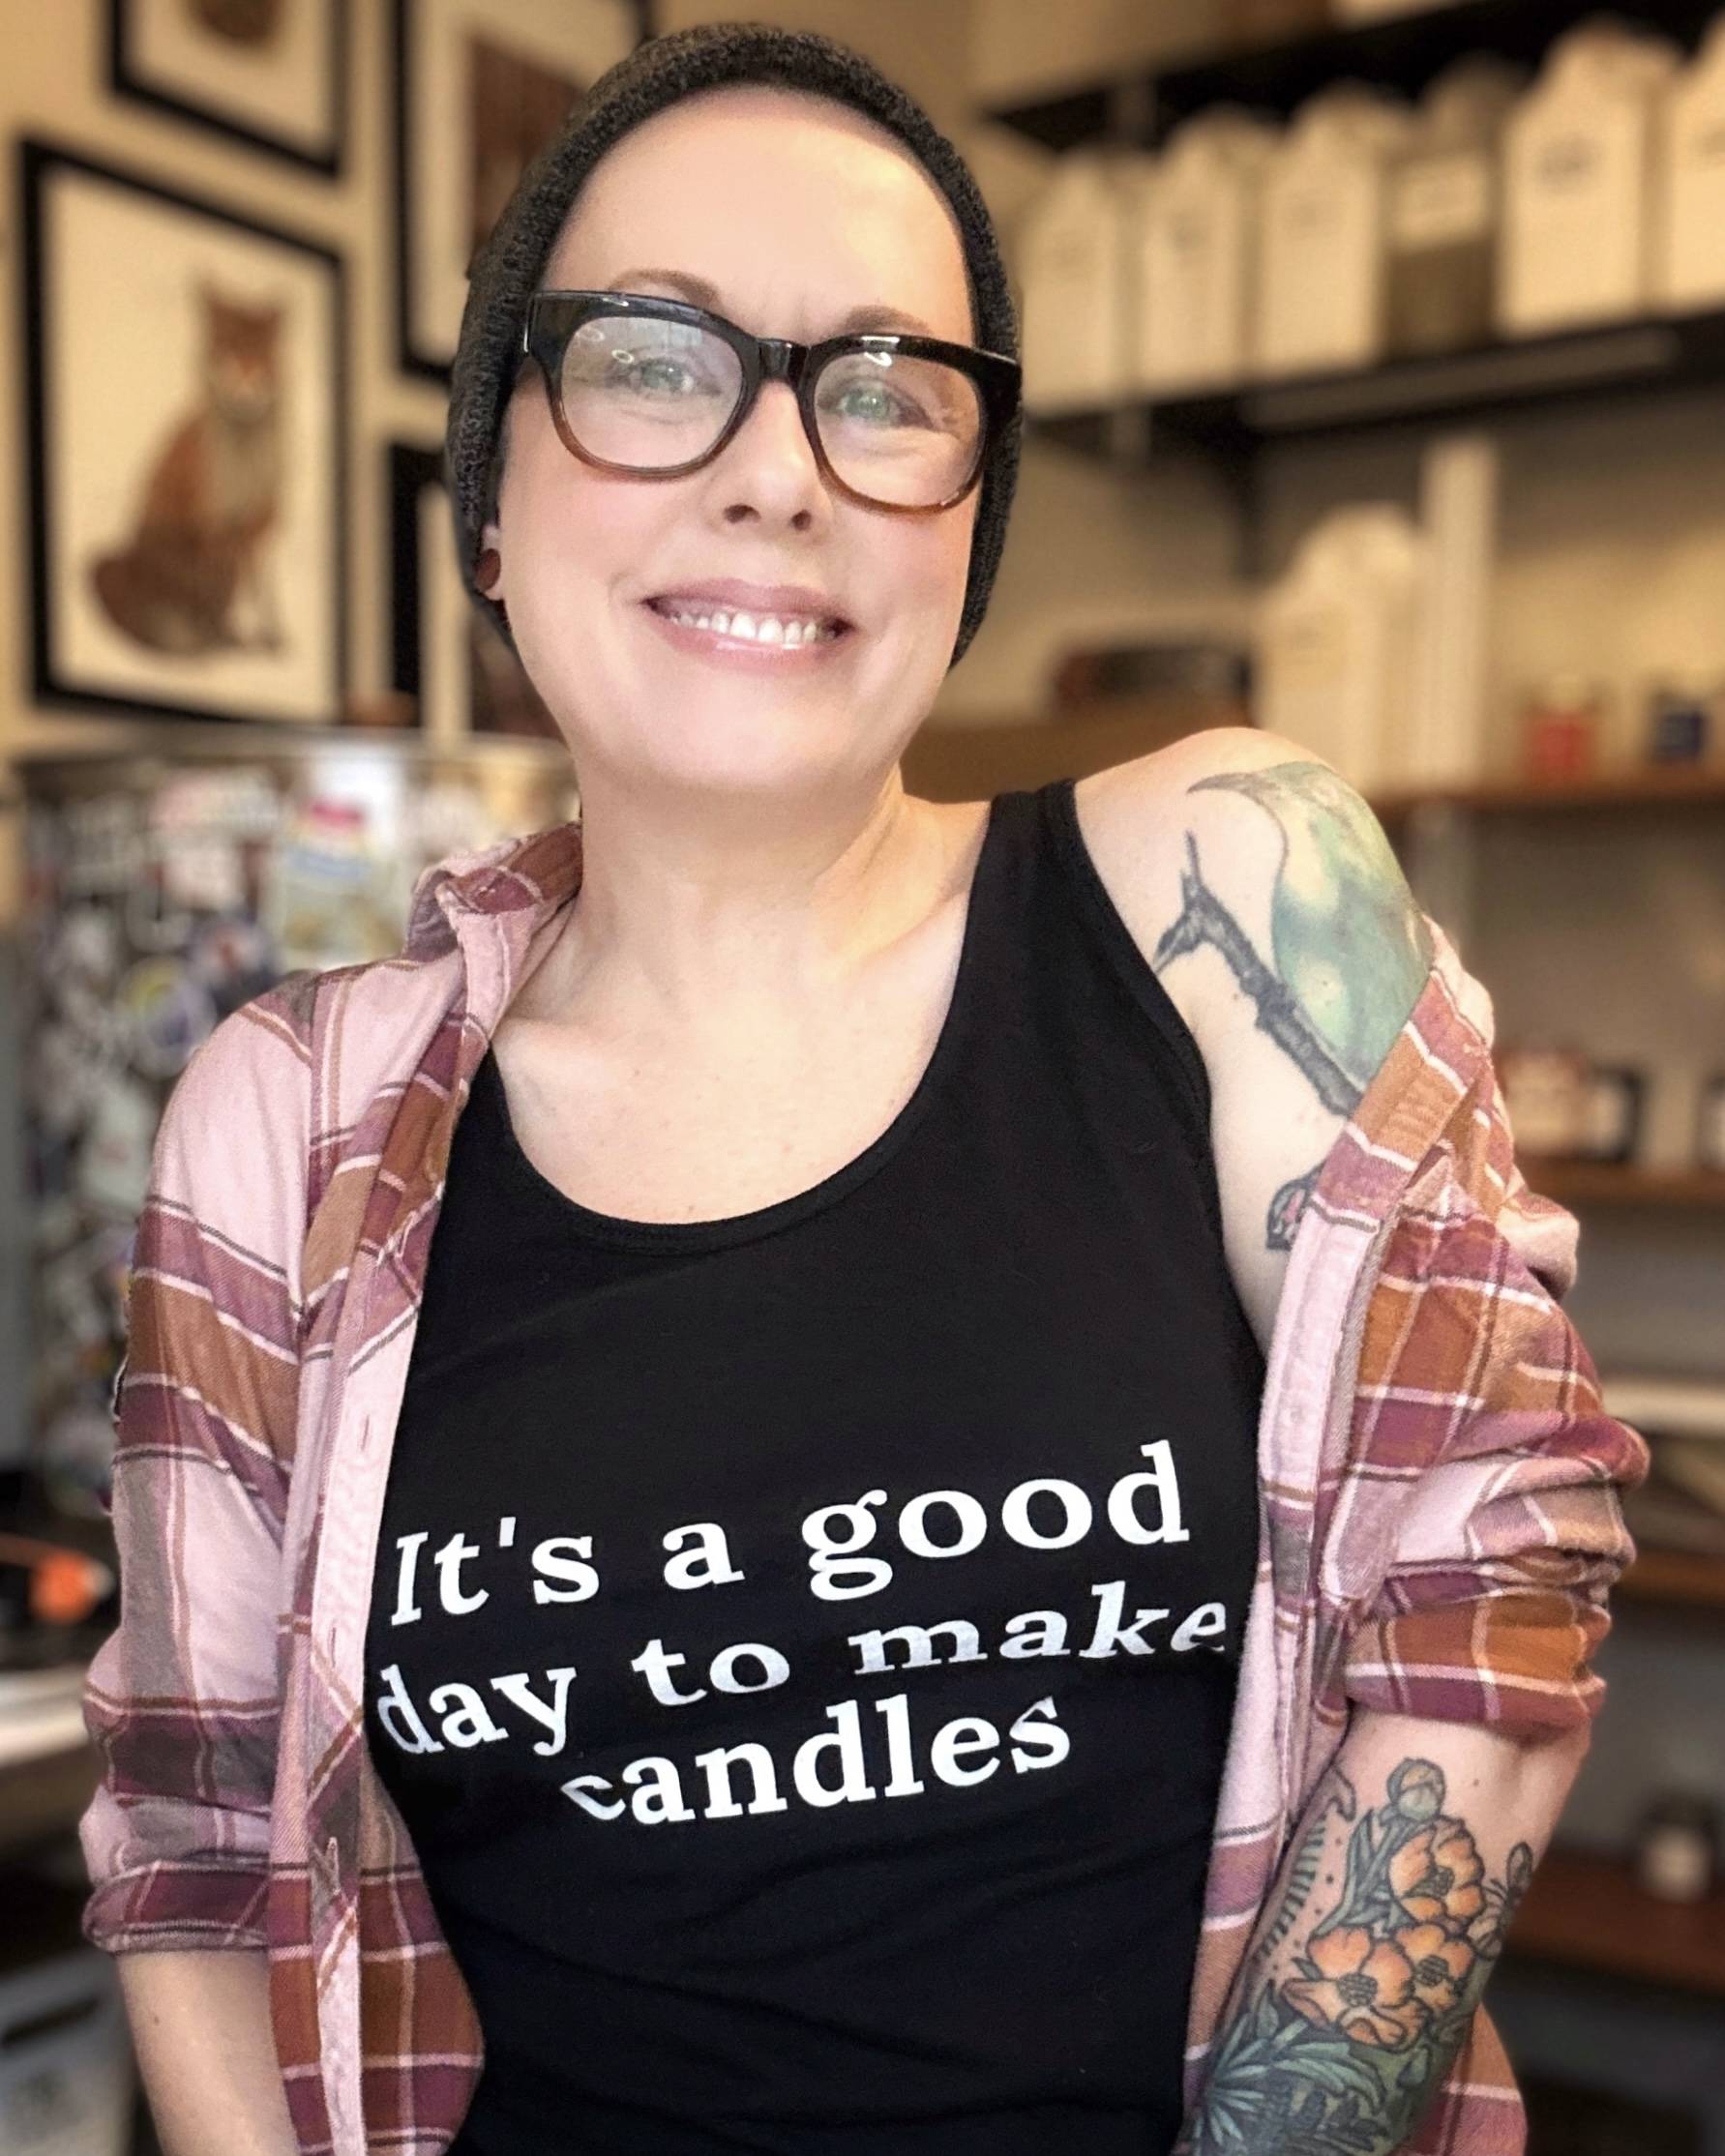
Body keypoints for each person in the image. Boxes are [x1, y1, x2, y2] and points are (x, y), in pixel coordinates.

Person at [77, 24, 1648, 2156]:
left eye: (887, 387)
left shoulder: (1223, 892)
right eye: (652, 361)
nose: (778, 470)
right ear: (489, 503)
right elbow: (190, 1842)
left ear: (967, 533)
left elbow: (1493, 1588)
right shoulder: (286, 1120)